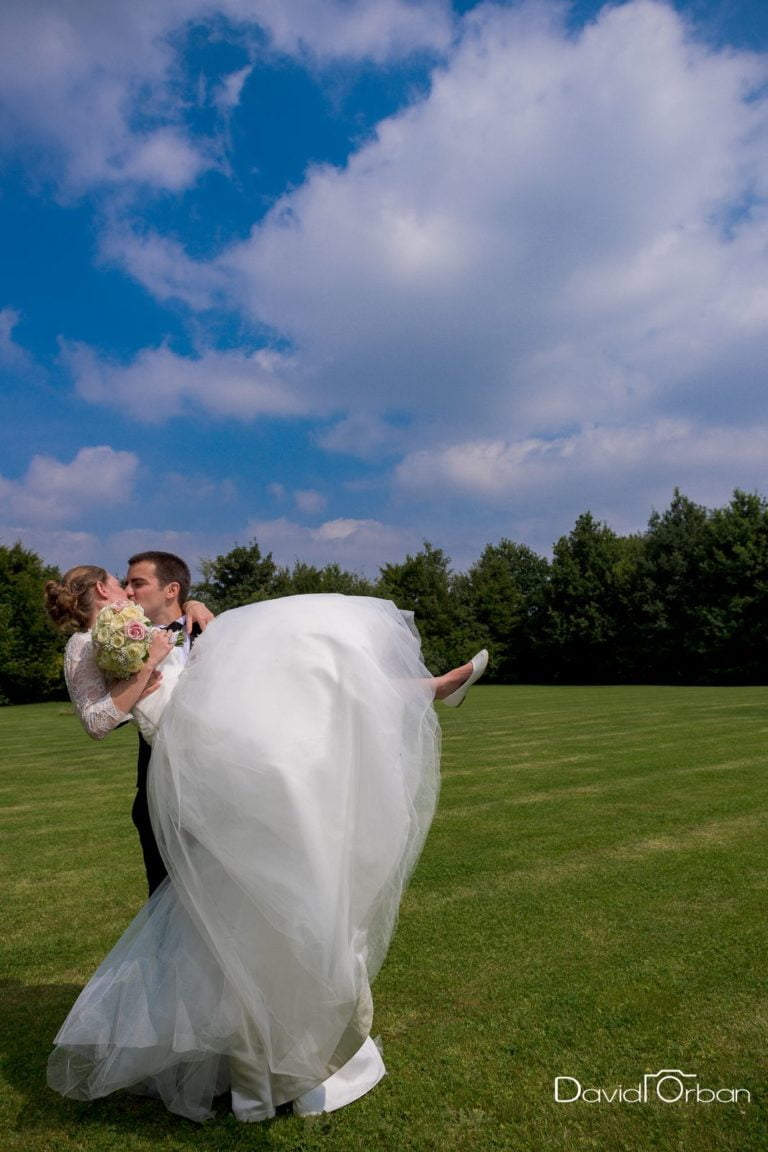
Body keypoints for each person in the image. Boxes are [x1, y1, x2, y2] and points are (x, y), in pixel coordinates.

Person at [43, 565, 488, 1123]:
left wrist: (190, 615)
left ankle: (420, 690)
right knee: (223, 916)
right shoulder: (88, 644)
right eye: (121, 582)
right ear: (101, 590)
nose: (129, 590)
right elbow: (97, 720)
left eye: (135, 582)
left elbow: (181, 645)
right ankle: (248, 1065)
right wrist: (151, 661)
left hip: (206, 742)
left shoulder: (145, 624)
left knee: (292, 676)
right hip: (188, 758)